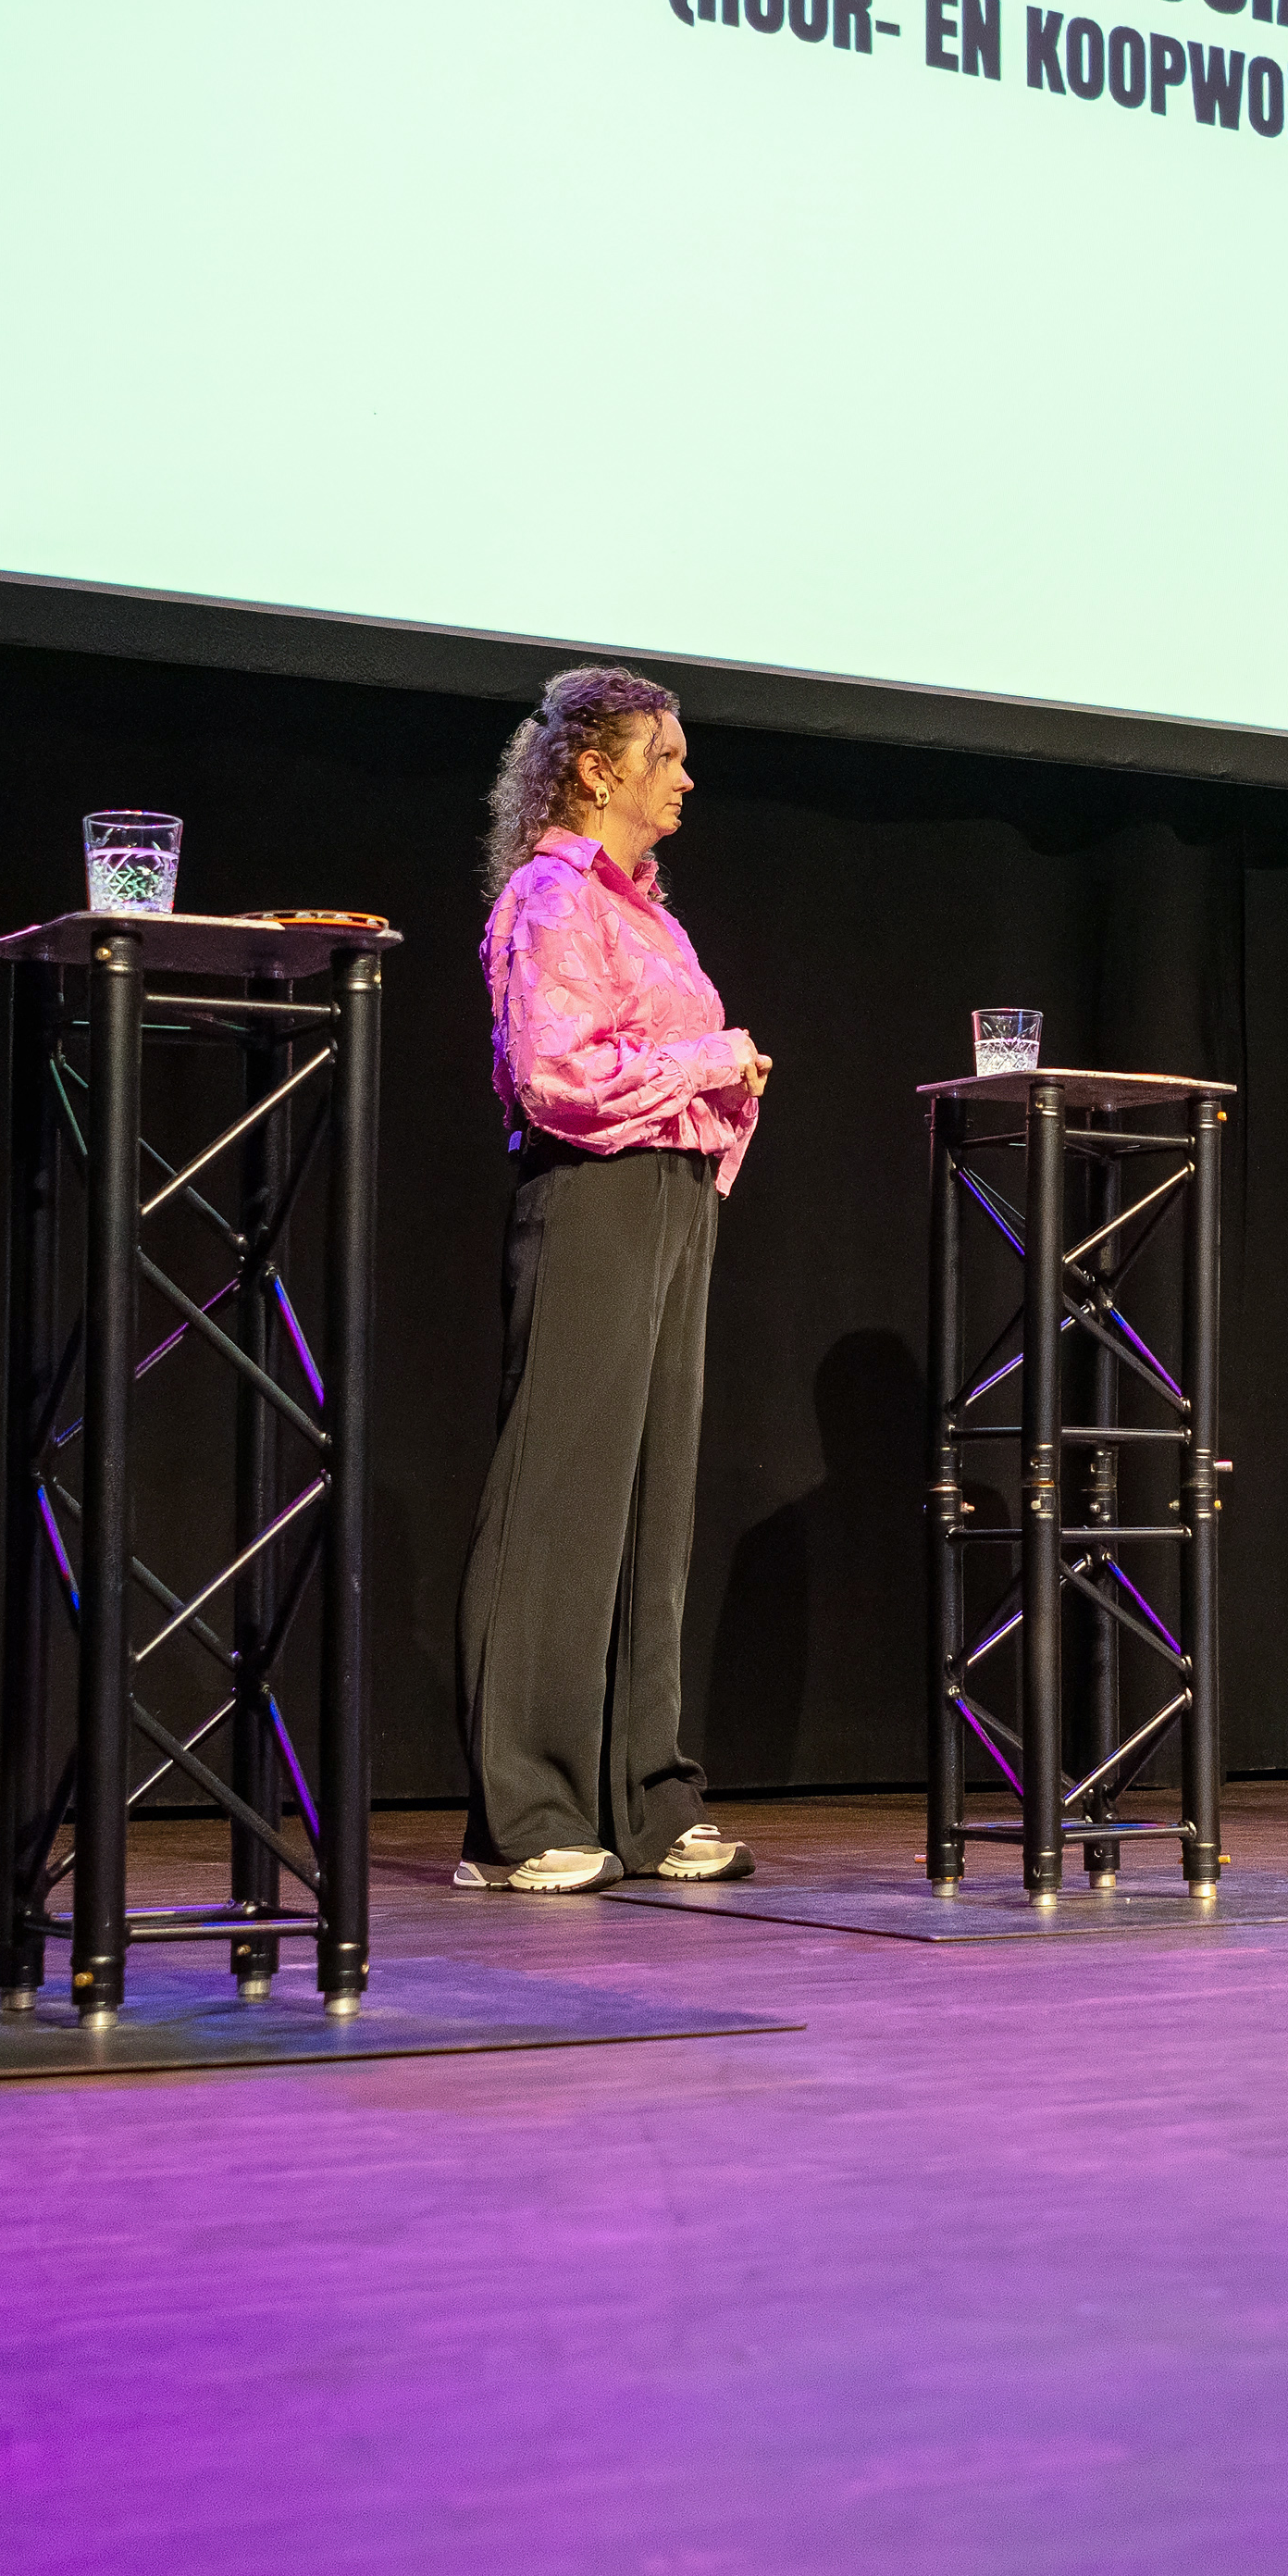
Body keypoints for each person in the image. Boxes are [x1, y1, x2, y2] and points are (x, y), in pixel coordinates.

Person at [451, 669, 770, 1894]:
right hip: (594, 1193)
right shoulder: (552, 895)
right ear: (598, 767)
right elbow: (556, 1073)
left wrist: (720, 1086)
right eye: (667, 753)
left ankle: (643, 1793)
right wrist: (716, 1056)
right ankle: (524, 1809)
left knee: (650, 1506)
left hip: (669, 1196)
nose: (685, 775)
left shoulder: (642, 909)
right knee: (562, 1502)